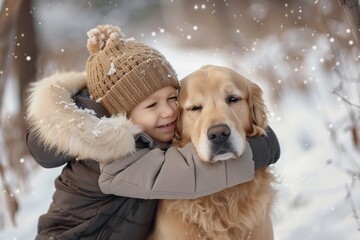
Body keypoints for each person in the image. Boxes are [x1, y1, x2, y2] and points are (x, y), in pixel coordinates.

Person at [26, 24, 280, 240]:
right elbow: (186, 174)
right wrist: (260, 149)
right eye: (195, 107)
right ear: (122, 116)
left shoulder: (156, 137)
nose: (169, 112)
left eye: (172, 99)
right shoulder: (112, 156)